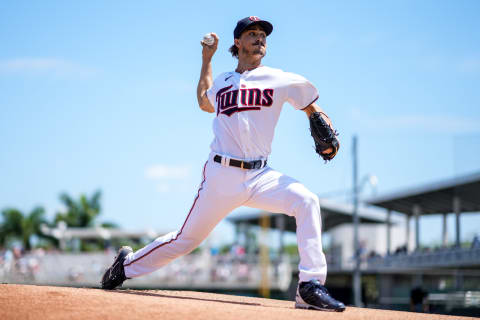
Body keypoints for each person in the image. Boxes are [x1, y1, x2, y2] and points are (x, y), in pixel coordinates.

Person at [101, 16, 345, 312]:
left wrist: (325, 128)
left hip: (260, 176)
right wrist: (207, 59)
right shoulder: (224, 82)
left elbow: (312, 107)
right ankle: (124, 267)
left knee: (306, 200)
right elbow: (205, 101)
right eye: (252, 34)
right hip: (221, 175)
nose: (259, 38)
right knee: (185, 240)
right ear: (237, 42)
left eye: (262, 35)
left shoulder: (280, 79)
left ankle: (310, 286)